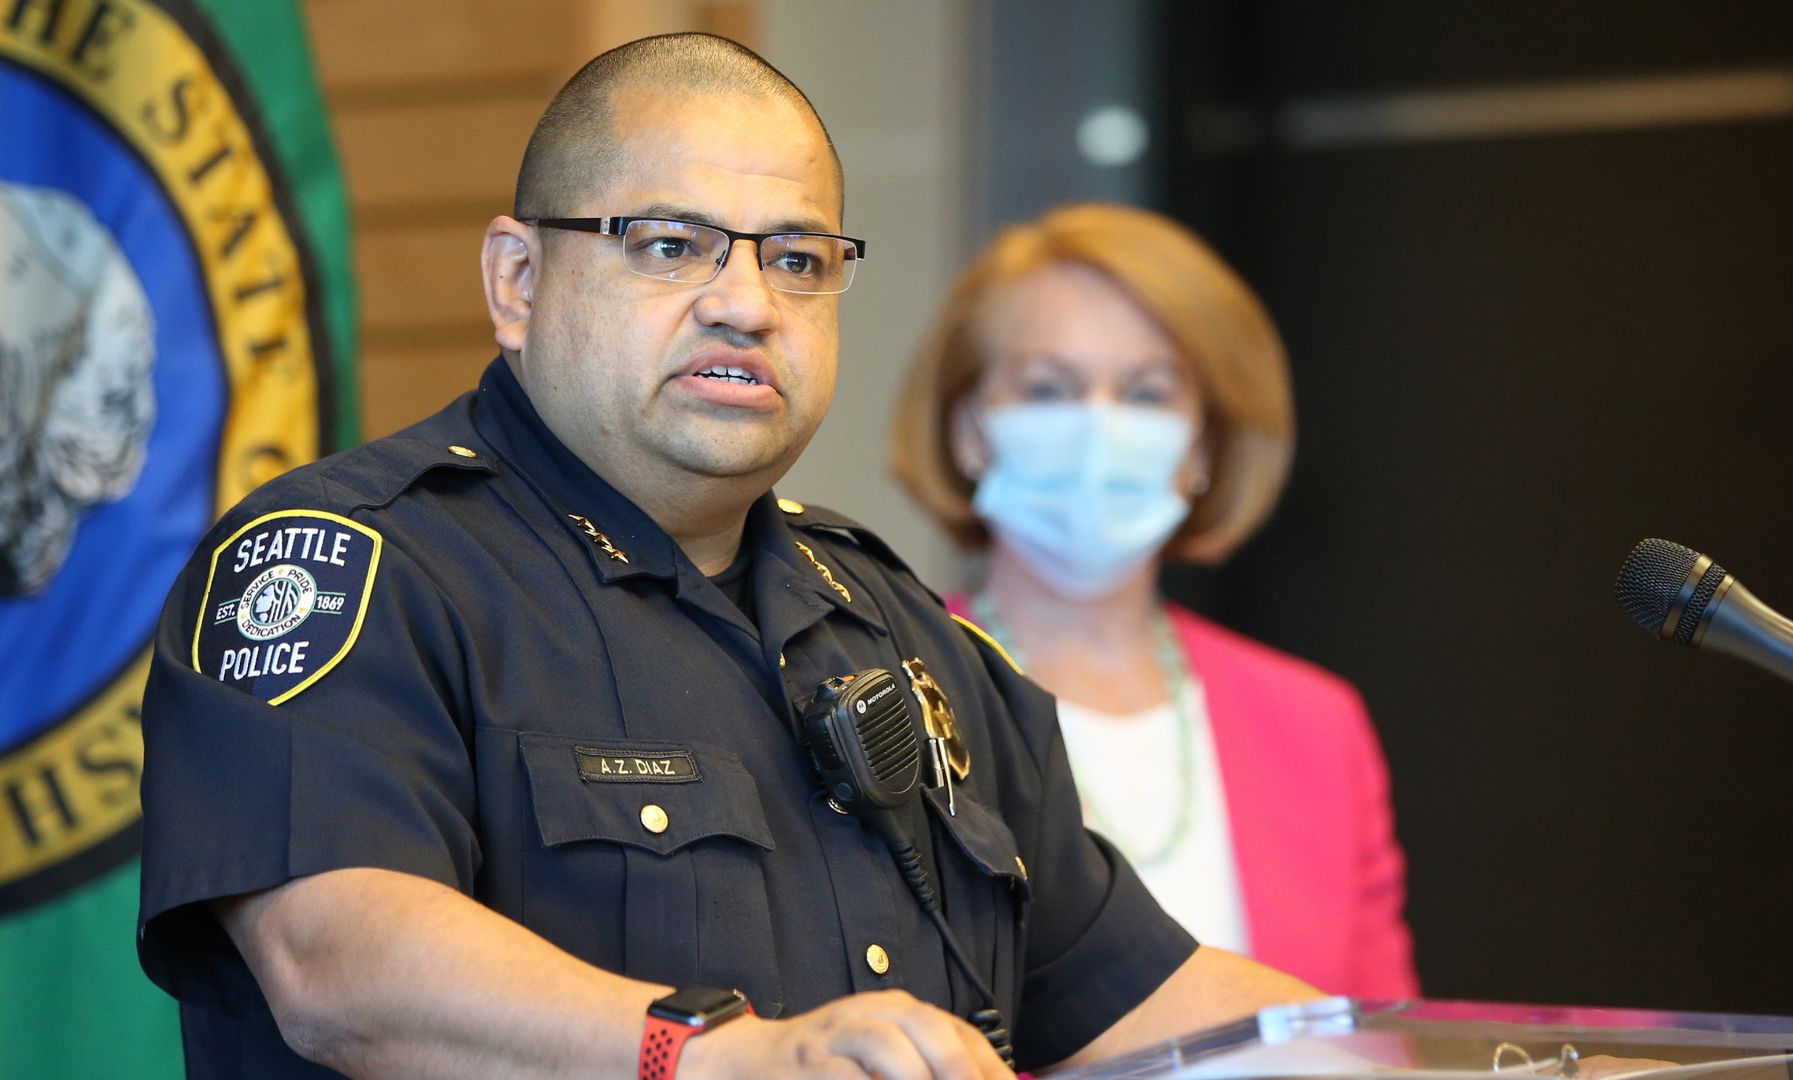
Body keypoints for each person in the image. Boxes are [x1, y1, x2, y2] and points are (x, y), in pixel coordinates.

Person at [134, 33, 1322, 1080]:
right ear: (518, 279)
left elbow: (1141, 996)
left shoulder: (899, 629)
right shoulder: (354, 566)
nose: (747, 303)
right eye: (670, 246)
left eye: (798, 262)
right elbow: (336, 960)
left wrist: (1439, 1052)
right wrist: (716, 1056)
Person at [890, 204, 1419, 999]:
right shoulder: (885, 692)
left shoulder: (1316, 723)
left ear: (1203, 443)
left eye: (1146, 392)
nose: (1100, 427)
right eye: (1048, 387)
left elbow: (1384, 1043)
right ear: (969, 428)